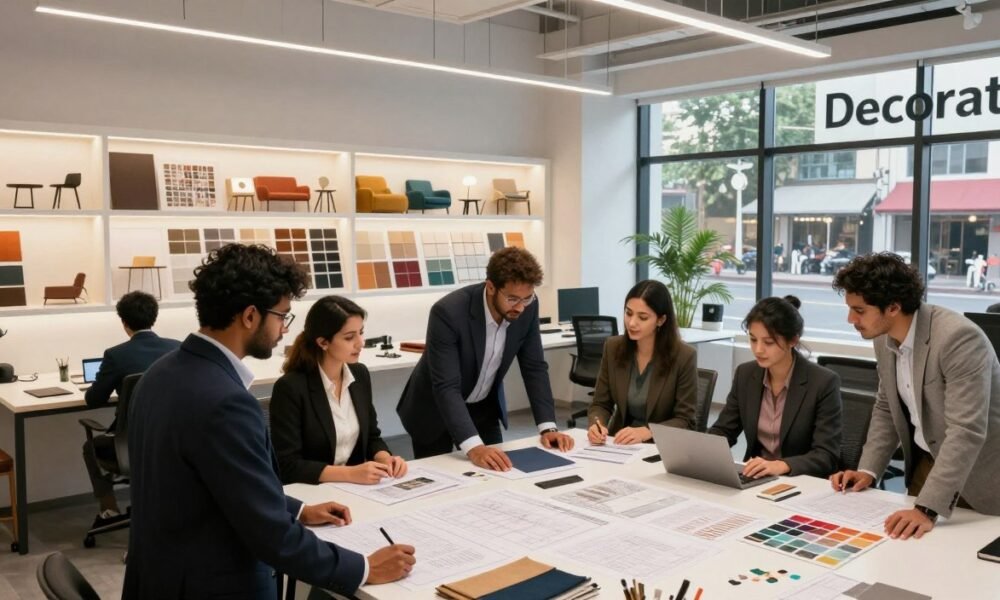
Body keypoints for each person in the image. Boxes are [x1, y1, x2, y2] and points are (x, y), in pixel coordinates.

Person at [124, 244, 414, 599]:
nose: (285, 331)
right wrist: (365, 568)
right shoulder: (225, 402)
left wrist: (300, 509)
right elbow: (272, 538)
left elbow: (217, 488)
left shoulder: (159, 373)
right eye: (282, 316)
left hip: (159, 577)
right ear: (249, 316)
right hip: (212, 585)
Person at [830, 252, 1000, 541]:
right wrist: (868, 470)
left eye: (859, 310)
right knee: (911, 551)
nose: (851, 319)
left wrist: (926, 508)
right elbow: (887, 406)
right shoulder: (883, 337)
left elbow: (966, 430)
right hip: (927, 461)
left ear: (893, 307)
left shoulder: (957, 338)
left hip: (978, 473)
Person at [396, 246, 574, 469]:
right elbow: (446, 386)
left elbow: (534, 367)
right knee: (437, 480)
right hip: (435, 409)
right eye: (512, 299)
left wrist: (548, 427)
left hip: (483, 406)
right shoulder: (448, 312)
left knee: (498, 471)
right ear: (491, 287)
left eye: (526, 298)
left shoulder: (528, 306)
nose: (520, 307)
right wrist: (474, 448)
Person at [270, 295, 407, 485]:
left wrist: (385, 458)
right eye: (350, 337)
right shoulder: (291, 388)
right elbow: (287, 466)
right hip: (314, 493)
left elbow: (371, 437)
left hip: (356, 490)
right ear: (323, 342)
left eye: (361, 332)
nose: (360, 343)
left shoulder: (359, 375)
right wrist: (350, 474)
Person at [707, 296, 842, 479]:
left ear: (793, 340)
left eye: (768, 342)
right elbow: (724, 430)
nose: (758, 349)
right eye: (753, 340)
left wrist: (782, 465)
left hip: (799, 481)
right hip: (755, 477)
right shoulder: (746, 374)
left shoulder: (823, 382)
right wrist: (699, 450)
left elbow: (826, 455)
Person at [81, 291, 179, 528]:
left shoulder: (116, 355)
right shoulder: (177, 348)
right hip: (173, 442)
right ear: (153, 317)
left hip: (132, 445)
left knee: (89, 447)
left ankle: (110, 509)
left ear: (124, 322)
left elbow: (94, 399)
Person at [586, 280, 697, 445]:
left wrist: (648, 431)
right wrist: (597, 424)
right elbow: (601, 403)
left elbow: (686, 420)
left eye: (642, 317)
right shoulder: (613, 347)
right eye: (628, 313)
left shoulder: (684, 356)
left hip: (660, 448)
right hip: (619, 444)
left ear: (661, 320)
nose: (632, 323)